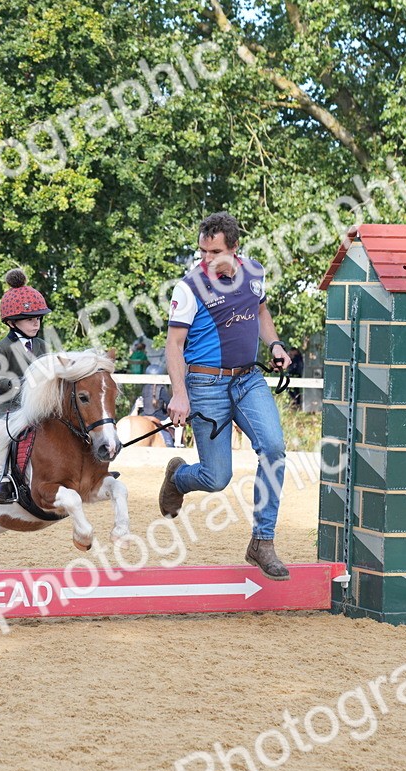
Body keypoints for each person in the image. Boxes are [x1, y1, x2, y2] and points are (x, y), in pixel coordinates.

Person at [158, 211, 292, 580]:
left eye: (214, 251)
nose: (205, 259)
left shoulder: (255, 272)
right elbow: (174, 345)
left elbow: (261, 311)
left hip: (249, 380)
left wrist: (275, 344)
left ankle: (262, 542)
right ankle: (179, 478)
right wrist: (179, 394)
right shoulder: (188, 287)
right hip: (205, 386)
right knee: (217, 478)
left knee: (275, 448)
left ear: (235, 249)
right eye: (202, 251)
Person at [0, 268, 51, 504]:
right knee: (3, 434)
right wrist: (24, 385)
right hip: (9, 408)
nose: (37, 323)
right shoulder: (1, 347)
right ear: (13, 322)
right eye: (31, 319)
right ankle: (2, 480)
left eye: (39, 318)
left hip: (40, 407)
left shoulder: (43, 345)